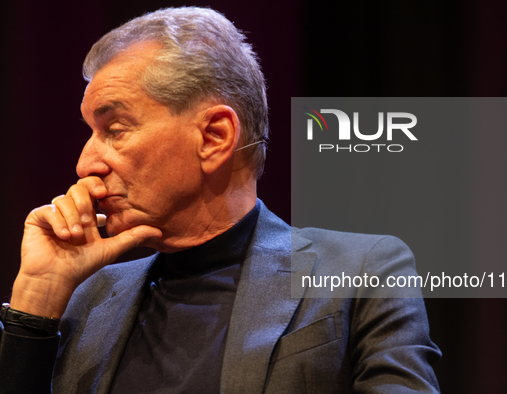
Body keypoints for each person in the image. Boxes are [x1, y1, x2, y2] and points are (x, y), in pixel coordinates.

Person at [0, 7, 440, 393]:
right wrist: (36, 302)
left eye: (115, 130)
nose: (85, 164)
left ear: (214, 137)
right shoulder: (87, 297)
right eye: (91, 134)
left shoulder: (361, 271)